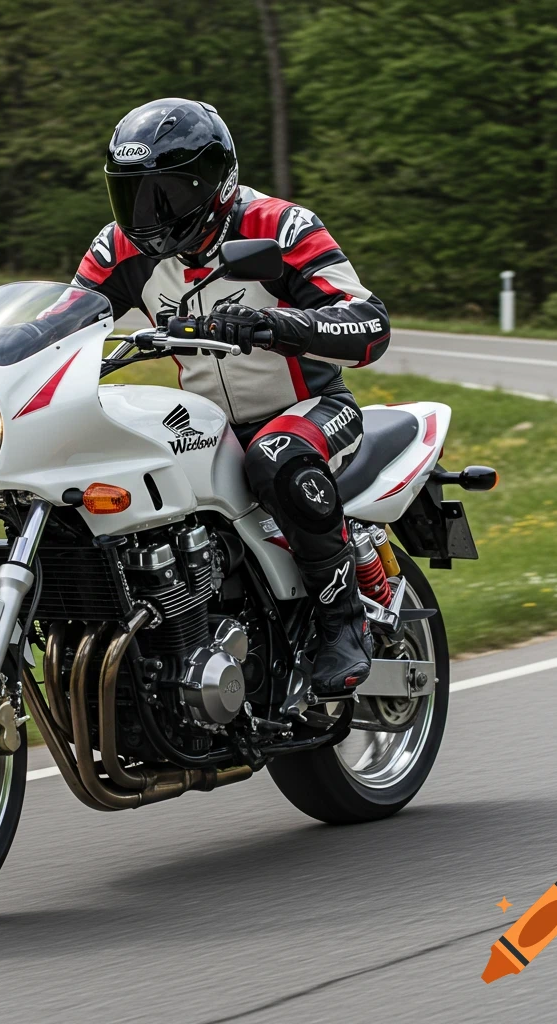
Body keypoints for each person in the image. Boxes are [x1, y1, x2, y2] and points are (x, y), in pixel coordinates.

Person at [73, 97, 391, 696]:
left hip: (309, 410)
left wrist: (278, 326)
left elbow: (369, 323)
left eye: (166, 193)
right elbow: (66, 316)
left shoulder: (278, 226)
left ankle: (341, 623)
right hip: (207, 426)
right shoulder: (120, 248)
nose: (148, 213)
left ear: (215, 186)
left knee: (277, 456)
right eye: (133, 194)